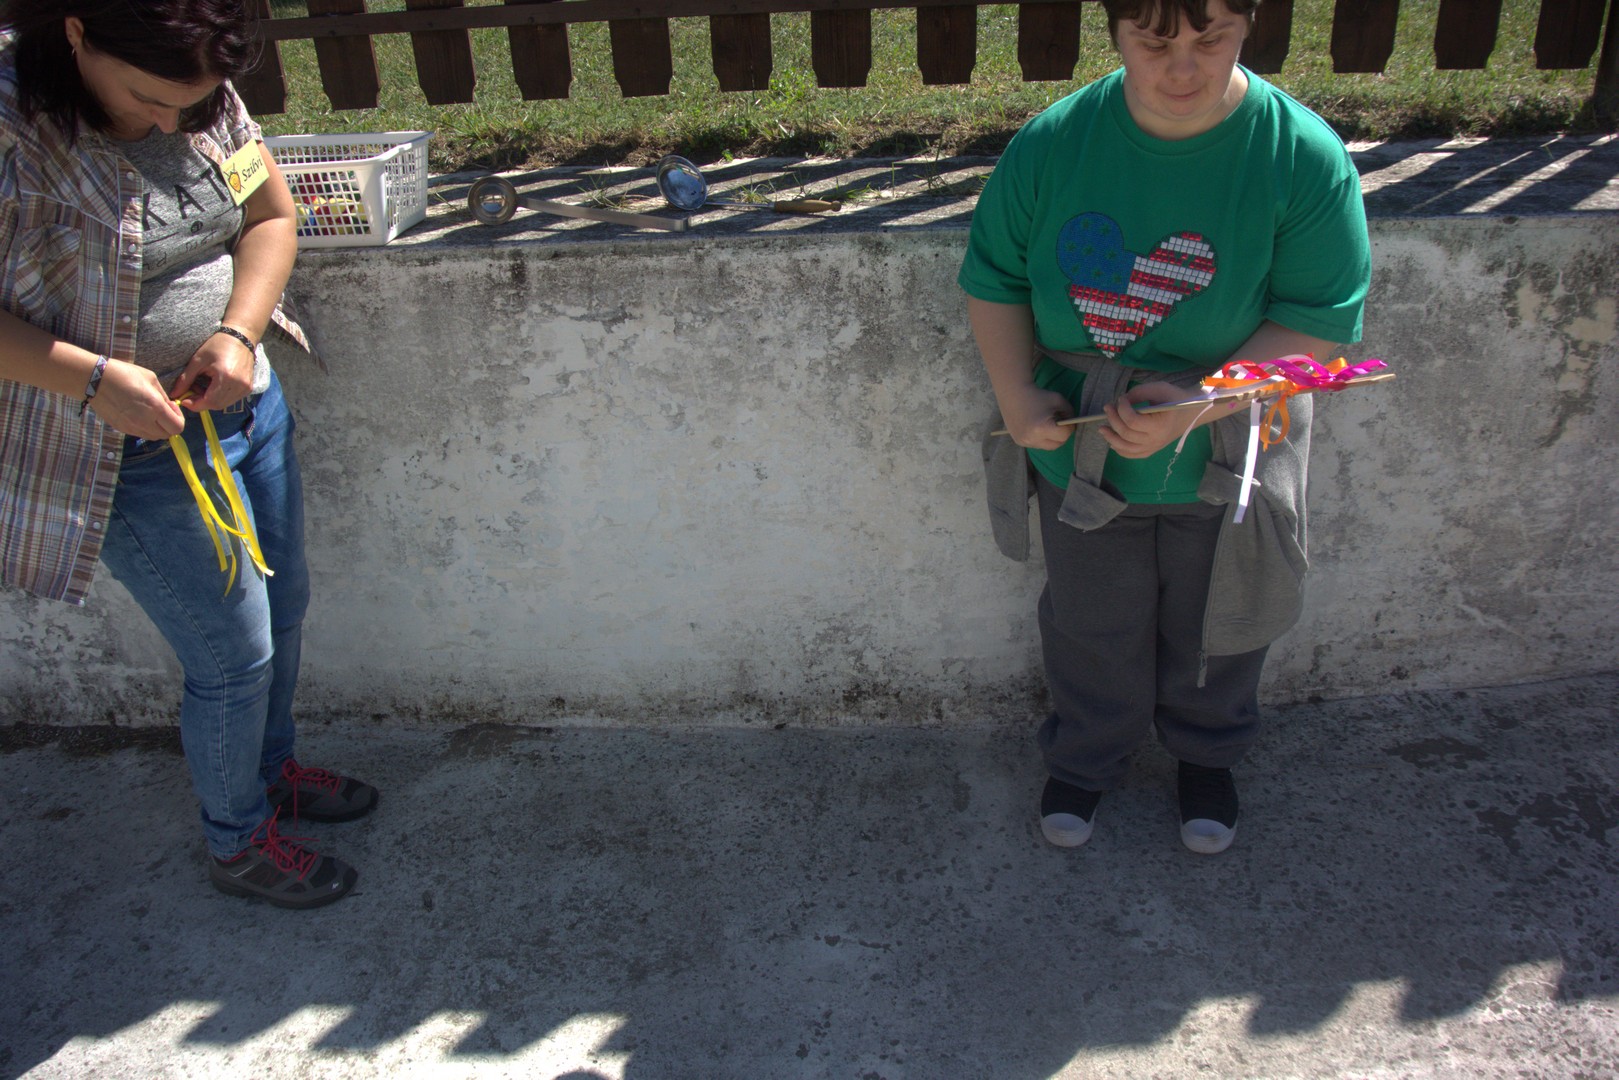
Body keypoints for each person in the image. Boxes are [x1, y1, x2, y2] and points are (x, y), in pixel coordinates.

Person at [959, 0, 1370, 853]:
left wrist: (1201, 402)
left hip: (1227, 450)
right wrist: (1016, 394)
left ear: (1248, 25)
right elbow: (994, 278)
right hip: (1082, 458)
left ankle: (1206, 755)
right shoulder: (1052, 144)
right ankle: (1085, 756)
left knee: (1220, 619)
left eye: (1209, 39)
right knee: (1088, 619)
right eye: (1152, 42)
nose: (1181, 68)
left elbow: (1319, 321)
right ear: (1113, 34)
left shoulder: (1299, 154)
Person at [0, 0, 376, 906]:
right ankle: (237, 842)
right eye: (149, 99)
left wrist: (238, 333)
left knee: (282, 609)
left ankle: (271, 772)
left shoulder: (203, 93)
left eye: (193, 104)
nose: (173, 125)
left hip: (245, 412)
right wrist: (93, 379)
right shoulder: (14, 129)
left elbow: (269, 213)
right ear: (77, 31)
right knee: (232, 654)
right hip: (117, 448)